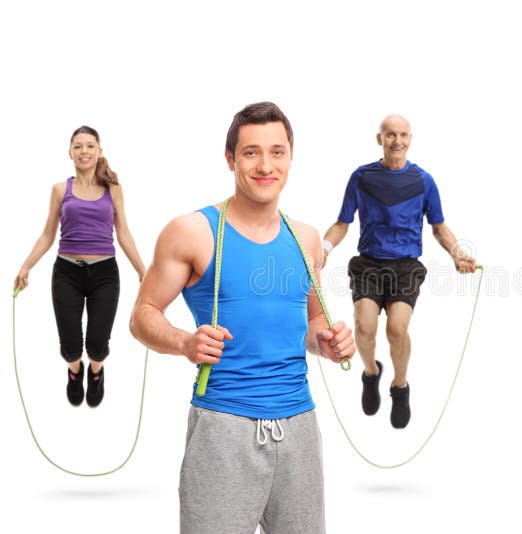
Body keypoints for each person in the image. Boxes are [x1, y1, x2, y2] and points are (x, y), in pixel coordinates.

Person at [129, 102, 355, 534]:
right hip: (224, 428)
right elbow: (142, 315)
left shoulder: (306, 238)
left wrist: (326, 341)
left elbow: (311, 323)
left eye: (277, 151)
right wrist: (183, 342)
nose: (265, 165)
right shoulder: (193, 231)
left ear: (291, 157)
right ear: (231, 159)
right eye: (251, 152)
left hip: (300, 428)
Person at [322, 114, 476, 429]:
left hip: (405, 267)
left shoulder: (423, 181)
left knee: (396, 329)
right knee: (364, 328)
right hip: (368, 263)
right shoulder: (361, 177)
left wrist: (458, 255)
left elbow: (438, 228)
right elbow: (342, 223)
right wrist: (322, 251)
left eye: (403, 135)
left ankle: (400, 386)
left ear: (410, 138)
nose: (397, 141)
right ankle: (371, 374)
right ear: (380, 139)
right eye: (390, 135)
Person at [14, 126, 146, 407]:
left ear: (99, 151)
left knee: (98, 345)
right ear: (70, 152)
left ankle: (95, 373)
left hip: (104, 274)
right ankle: (75, 372)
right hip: (66, 273)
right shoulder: (61, 190)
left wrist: (142, 271)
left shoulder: (113, 189)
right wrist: (26, 267)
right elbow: (48, 235)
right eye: (78, 146)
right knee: (70, 345)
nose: (84, 151)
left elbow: (123, 233)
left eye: (89, 146)